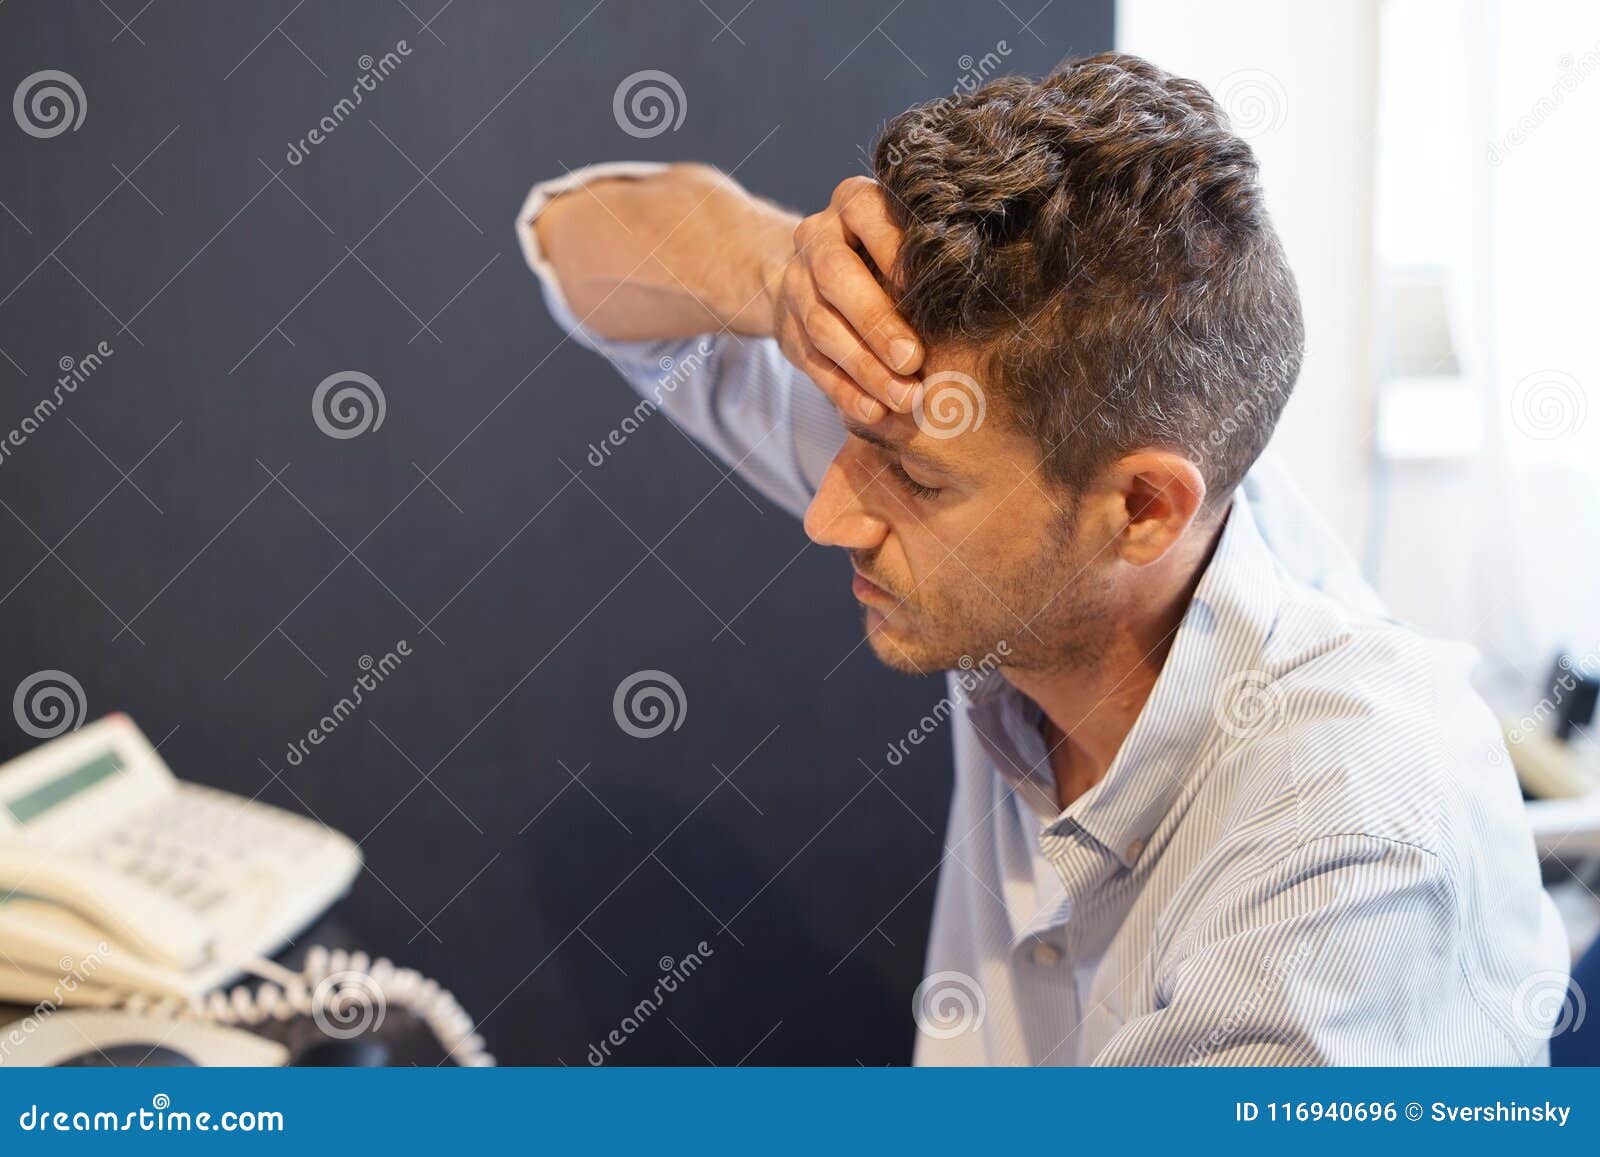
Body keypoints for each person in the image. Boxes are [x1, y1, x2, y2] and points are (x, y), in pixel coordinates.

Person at [517, 52, 1567, 1065]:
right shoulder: (1007, 459)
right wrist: (773, 269)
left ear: (1144, 510)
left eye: (917, 480)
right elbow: (576, 243)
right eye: (852, 437)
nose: (831, 514)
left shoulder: (1353, 844)